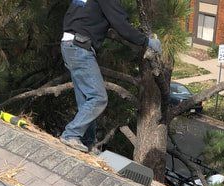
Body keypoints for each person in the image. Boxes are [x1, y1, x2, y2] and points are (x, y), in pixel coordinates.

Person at [60, 0, 161, 153]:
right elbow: (121, 24)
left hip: (70, 45)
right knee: (98, 98)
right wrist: (147, 41)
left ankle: (87, 143)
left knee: (87, 100)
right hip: (80, 48)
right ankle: (71, 134)